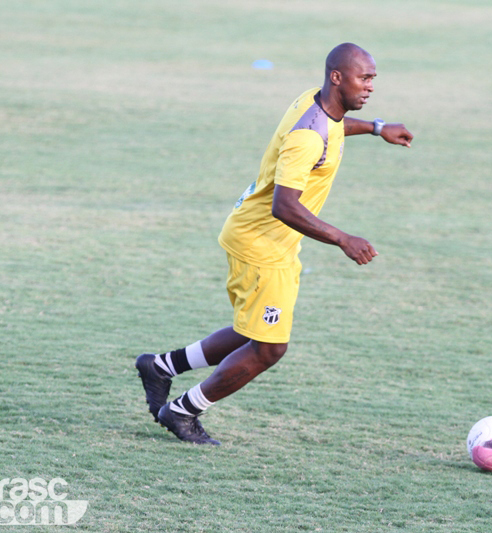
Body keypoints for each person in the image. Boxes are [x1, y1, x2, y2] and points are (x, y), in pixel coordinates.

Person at [136, 42, 414, 445]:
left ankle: (161, 367)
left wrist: (375, 127)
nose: (371, 86)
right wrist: (342, 239)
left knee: (256, 329)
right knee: (269, 348)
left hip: (270, 241)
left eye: (373, 78)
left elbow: (332, 130)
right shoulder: (307, 136)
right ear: (337, 77)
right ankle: (182, 411)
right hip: (261, 243)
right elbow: (286, 205)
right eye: (364, 77)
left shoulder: (315, 103)